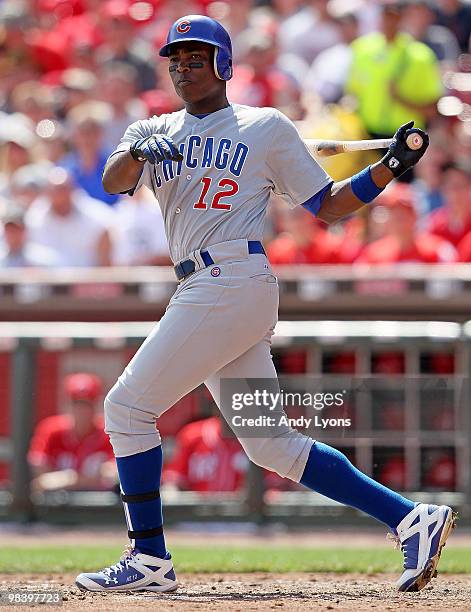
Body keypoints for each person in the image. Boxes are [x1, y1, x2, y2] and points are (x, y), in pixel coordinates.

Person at [75, 15, 454, 595]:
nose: (182, 68)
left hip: (229, 276)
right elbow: (111, 179)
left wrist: (389, 168)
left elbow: (325, 205)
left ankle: (148, 557)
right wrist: (137, 150)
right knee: (270, 442)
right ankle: (411, 519)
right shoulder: (153, 126)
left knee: (126, 409)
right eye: (175, 59)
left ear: (224, 65)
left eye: (196, 58)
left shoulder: (265, 126)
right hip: (209, 286)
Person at [346, 0, 443, 139]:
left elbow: (432, 109)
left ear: (403, 18)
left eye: (395, 16)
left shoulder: (421, 56)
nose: (389, 22)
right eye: (386, 15)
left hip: (405, 139)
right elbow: (353, 93)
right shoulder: (361, 49)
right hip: (366, 135)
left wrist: (401, 99)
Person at [28, 373, 116, 492]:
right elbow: (40, 479)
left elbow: (113, 476)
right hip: (59, 507)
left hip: (99, 507)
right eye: (76, 403)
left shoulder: (109, 432)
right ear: (67, 404)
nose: (82, 410)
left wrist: (70, 479)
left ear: (96, 405)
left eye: (87, 404)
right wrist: (89, 479)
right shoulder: (51, 430)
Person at [356, 184, 457, 264]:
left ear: (415, 217)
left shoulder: (437, 249)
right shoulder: (373, 254)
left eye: (403, 216)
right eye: (394, 215)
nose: (398, 222)